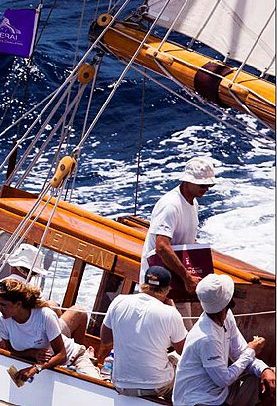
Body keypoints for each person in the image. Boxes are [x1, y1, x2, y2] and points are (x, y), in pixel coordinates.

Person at [173, 274, 276, 406]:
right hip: (199, 401)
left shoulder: (227, 317)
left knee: (269, 378)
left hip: (221, 393)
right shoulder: (207, 338)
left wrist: (264, 369)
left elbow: (240, 352)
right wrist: (251, 351)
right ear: (227, 302)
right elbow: (224, 379)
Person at [0, 244, 87, 347]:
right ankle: (77, 355)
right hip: (27, 349)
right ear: (35, 273)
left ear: (12, 265)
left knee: (53, 306)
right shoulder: (33, 295)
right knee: (78, 312)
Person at [0, 278, 101, 383]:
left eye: (3, 304)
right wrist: (33, 353)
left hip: (73, 357)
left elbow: (62, 355)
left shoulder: (45, 315)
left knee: (98, 388)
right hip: (44, 366)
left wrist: (35, 369)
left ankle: (89, 359)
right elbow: (11, 350)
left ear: (18, 304)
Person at [101, 265, 187, 398]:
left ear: (143, 284)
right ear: (166, 290)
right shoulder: (170, 313)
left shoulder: (118, 301)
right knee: (180, 364)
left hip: (120, 384)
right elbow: (184, 351)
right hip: (155, 387)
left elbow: (105, 340)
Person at [141, 157, 216, 296]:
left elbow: (186, 241)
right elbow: (162, 247)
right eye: (202, 185)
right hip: (158, 285)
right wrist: (187, 277)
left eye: (209, 186)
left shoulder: (193, 204)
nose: (206, 189)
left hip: (177, 278)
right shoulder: (171, 205)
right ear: (187, 181)